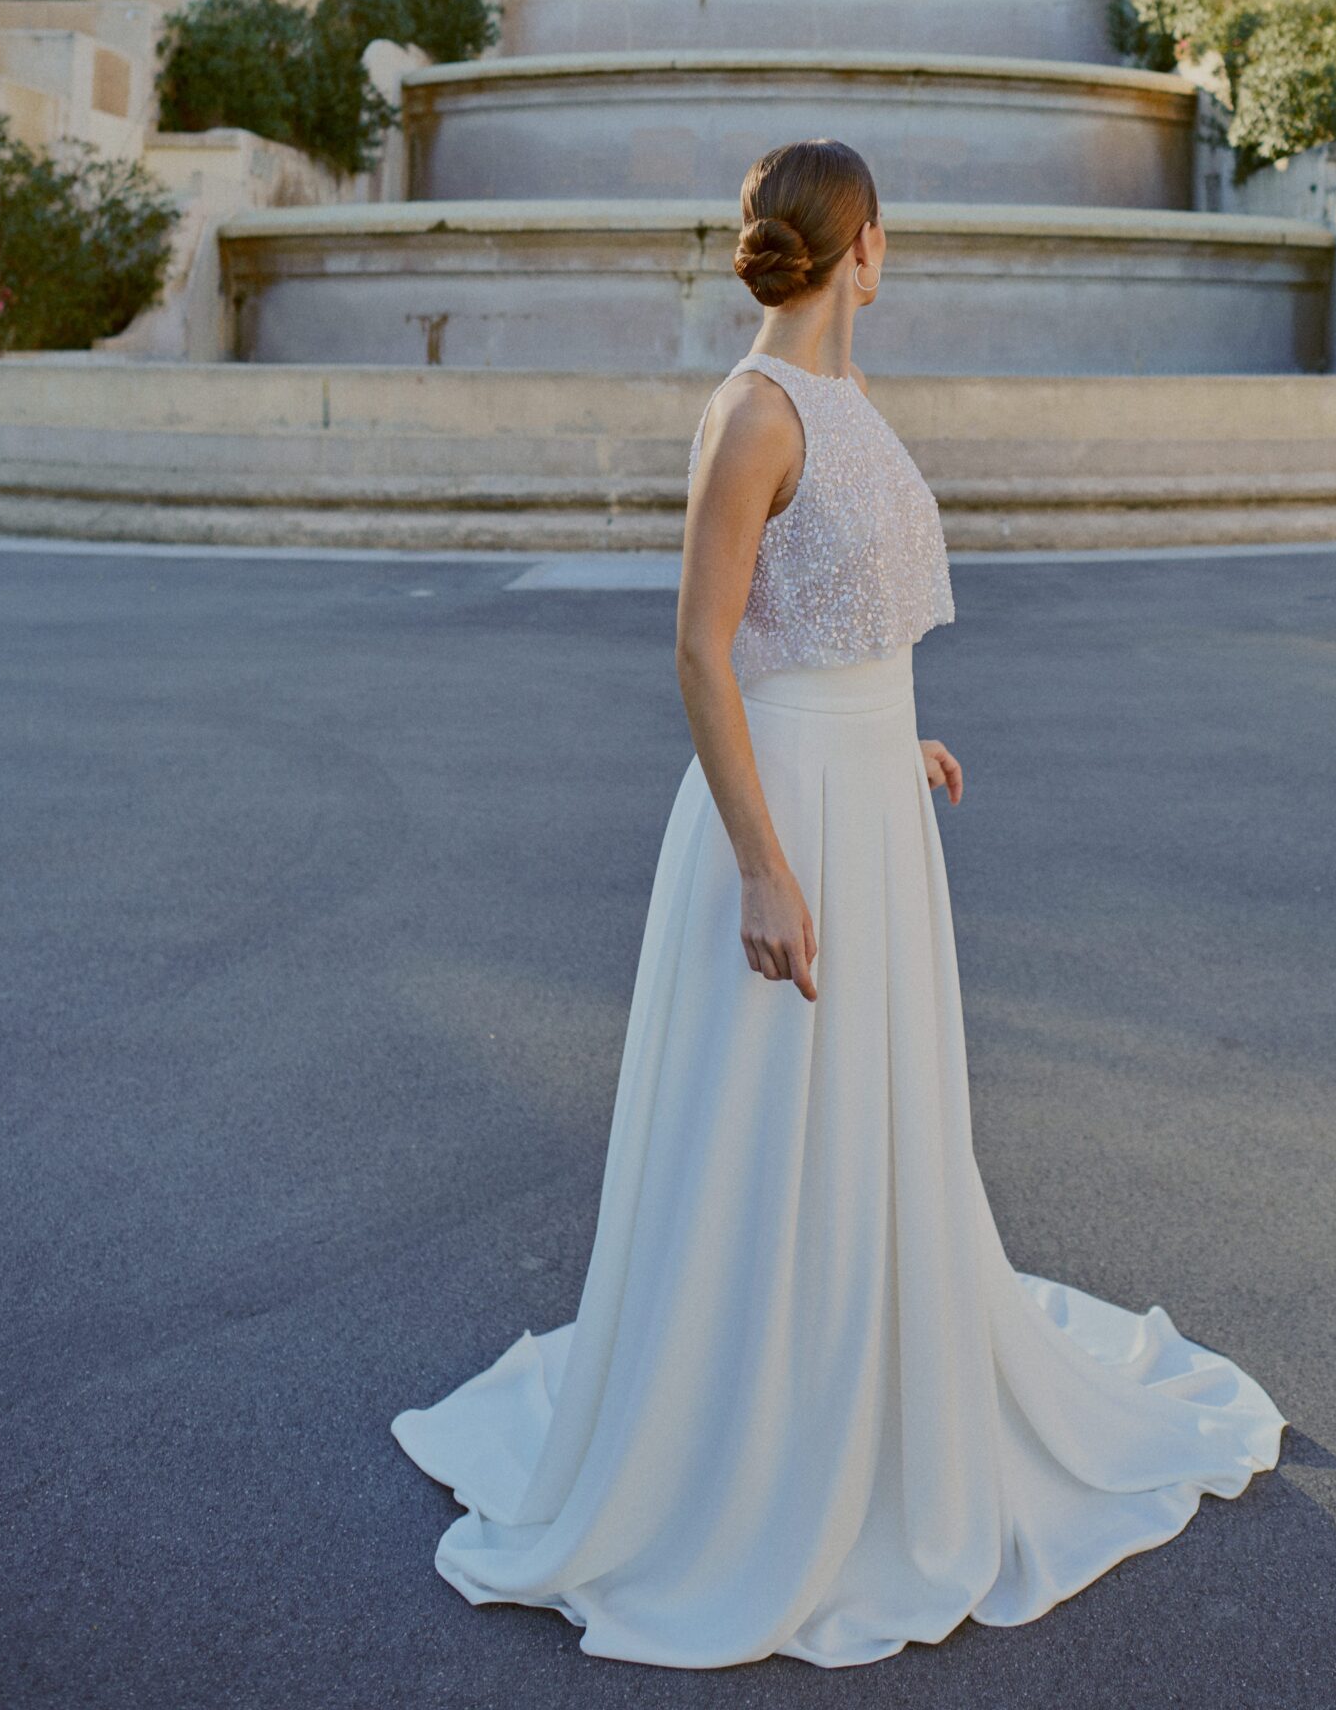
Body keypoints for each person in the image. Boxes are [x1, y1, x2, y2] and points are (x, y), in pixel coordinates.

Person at [393, 138, 1284, 1668]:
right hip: (787, 819)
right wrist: (760, 861)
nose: (891, 254)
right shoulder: (750, 413)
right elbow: (700, 650)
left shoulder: (852, 406)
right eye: (885, 235)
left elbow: (833, 619)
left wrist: (896, 727)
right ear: (859, 247)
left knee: (873, 1122)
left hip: (871, 791)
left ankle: (864, 1387)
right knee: (767, 1124)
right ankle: (745, 1446)